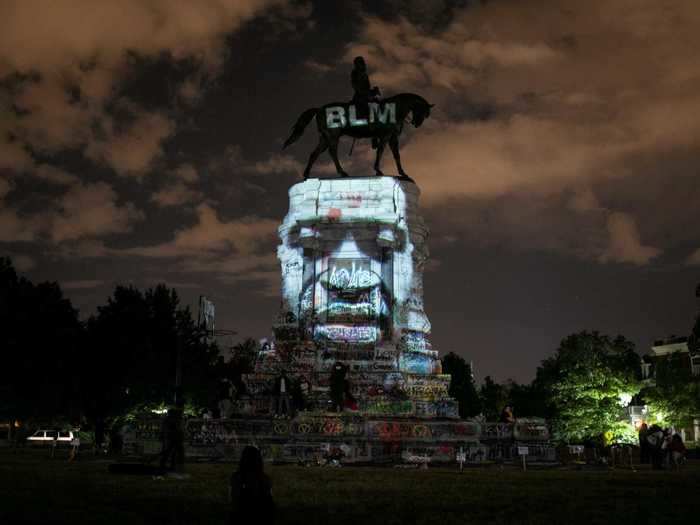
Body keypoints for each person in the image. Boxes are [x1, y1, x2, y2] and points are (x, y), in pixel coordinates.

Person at [229, 446, 274, 524]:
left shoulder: (236, 477)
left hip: (240, 516)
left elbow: (232, 499)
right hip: (260, 516)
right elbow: (269, 500)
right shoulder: (264, 478)